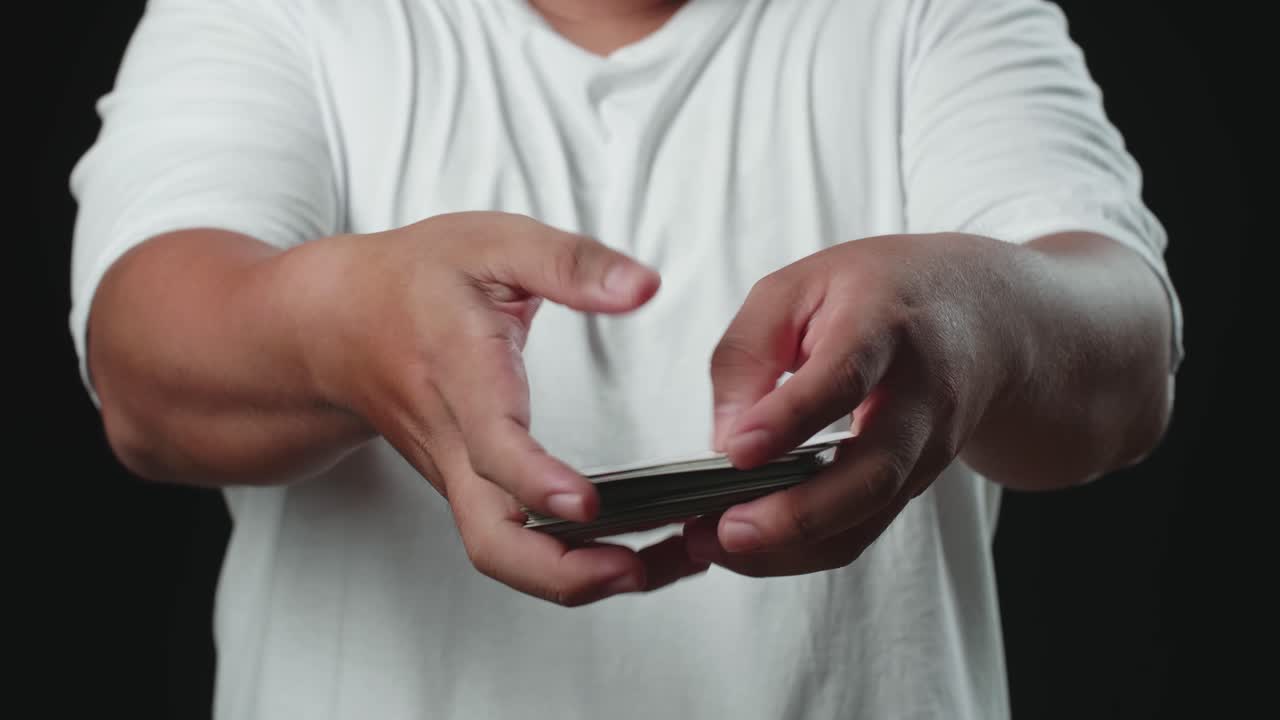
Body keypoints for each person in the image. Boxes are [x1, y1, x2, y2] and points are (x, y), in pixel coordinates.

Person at [69, 0, 1183, 717]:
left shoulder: (934, 15)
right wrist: (341, 333)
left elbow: (1128, 361)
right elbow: (143, 372)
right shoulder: (272, 16)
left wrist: (966, 323)